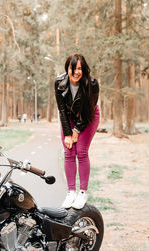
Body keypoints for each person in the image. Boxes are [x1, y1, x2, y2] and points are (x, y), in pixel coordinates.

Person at [54, 53, 100, 209]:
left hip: (88, 117)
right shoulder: (59, 83)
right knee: (68, 152)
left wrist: (76, 131)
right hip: (68, 117)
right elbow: (61, 109)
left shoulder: (92, 84)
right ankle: (71, 192)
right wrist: (68, 133)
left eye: (79, 69)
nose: (76, 72)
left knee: (81, 152)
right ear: (67, 68)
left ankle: (82, 192)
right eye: (72, 68)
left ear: (84, 69)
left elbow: (89, 111)